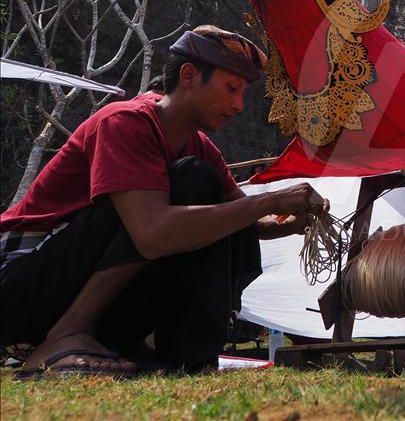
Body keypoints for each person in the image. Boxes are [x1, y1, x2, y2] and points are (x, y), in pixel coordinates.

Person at [0, 25, 328, 376]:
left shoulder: (200, 146)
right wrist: (267, 201)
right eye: (231, 89)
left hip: (68, 287)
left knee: (216, 209)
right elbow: (151, 233)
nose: (238, 105)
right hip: (17, 290)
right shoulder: (124, 122)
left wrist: (287, 223)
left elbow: (238, 218)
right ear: (189, 75)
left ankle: (177, 352)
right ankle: (66, 333)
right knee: (191, 184)